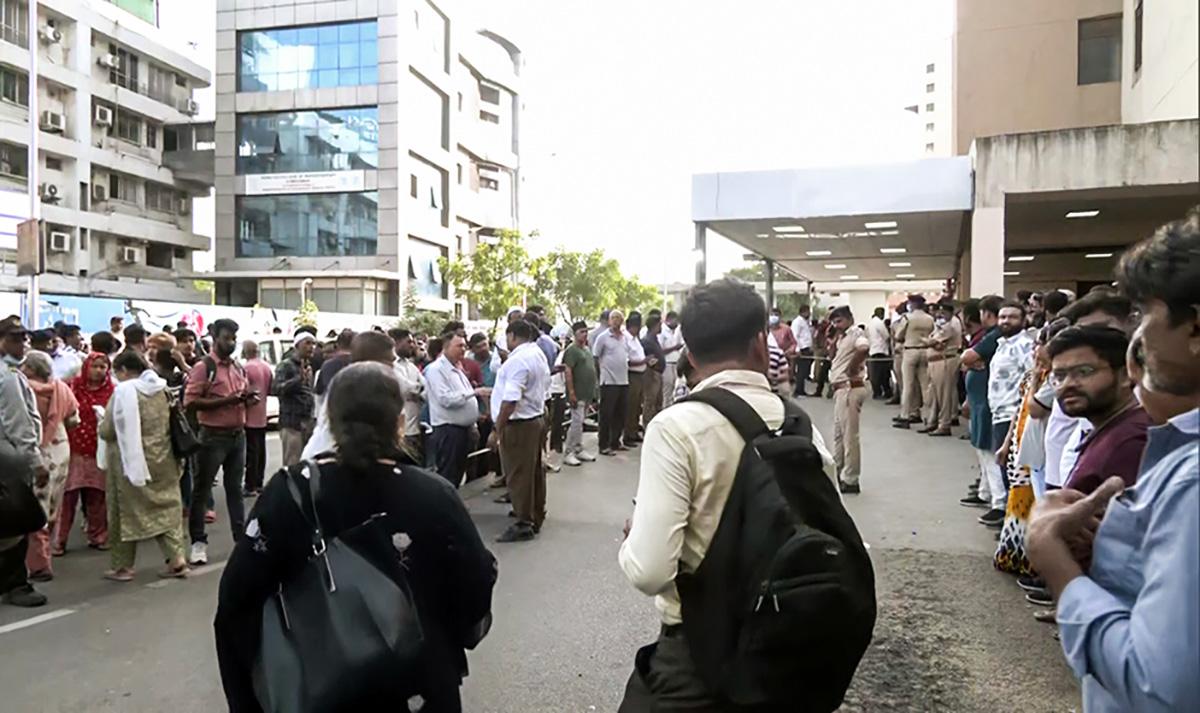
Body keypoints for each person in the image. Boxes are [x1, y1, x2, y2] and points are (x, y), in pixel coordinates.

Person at [215, 362, 498, 713]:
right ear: (399, 422)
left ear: (330, 420)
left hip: (318, 687)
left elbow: (237, 602)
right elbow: (475, 583)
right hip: (419, 684)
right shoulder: (434, 494)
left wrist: (248, 697)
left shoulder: (291, 493)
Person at [617, 279, 838, 709]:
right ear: (760, 342)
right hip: (789, 647)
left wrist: (631, 542)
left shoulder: (675, 428)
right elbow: (830, 527)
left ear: (690, 354)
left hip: (699, 655)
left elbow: (650, 572)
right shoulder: (797, 423)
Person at [1028, 211, 1199, 712]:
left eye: (1143, 315)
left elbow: (1156, 687)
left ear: (1195, 328)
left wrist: (1058, 566)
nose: (1136, 338)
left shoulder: (1187, 477)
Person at [99, 350, 189, 581]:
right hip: (164, 460)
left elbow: (108, 430)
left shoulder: (124, 392)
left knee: (124, 513)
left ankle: (123, 567)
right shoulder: (162, 388)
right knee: (166, 509)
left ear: (124, 370)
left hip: (130, 464)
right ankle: (176, 559)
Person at [184, 318, 256, 566]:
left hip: (237, 435)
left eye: (234, 338)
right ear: (215, 339)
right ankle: (198, 543)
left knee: (235, 490)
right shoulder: (204, 367)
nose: (231, 343)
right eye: (226, 338)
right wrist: (228, 401)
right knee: (201, 491)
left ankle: (240, 541)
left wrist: (247, 399)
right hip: (212, 437)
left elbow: (241, 395)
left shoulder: (237, 367)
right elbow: (190, 402)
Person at [1047, 326, 1151, 494]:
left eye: (1084, 372)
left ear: (1126, 375)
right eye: (1059, 376)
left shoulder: (1130, 442)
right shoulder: (1112, 431)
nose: (1068, 384)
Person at [0, 320, 50, 607]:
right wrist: (36, 462)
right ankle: (16, 584)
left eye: (25, 339)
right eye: (16, 339)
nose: (23, 345)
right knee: (16, 522)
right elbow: (20, 425)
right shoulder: (8, 378)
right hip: (9, 460)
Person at [19, 352, 79, 582]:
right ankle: (45, 554)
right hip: (60, 448)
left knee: (35, 507)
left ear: (32, 369)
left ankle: (39, 563)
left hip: (36, 451)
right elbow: (74, 420)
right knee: (53, 505)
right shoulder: (62, 388)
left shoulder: (25, 390)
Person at [490, 319, 551, 542]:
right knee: (533, 471)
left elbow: (510, 400)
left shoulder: (518, 361)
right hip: (534, 418)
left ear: (513, 336)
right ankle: (535, 513)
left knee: (518, 474)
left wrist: (497, 430)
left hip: (519, 424)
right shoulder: (536, 354)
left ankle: (524, 522)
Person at [981, 301, 1037, 529]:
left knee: (1013, 471)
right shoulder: (1002, 345)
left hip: (1014, 414)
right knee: (1006, 469)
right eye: (1002, 317)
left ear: (1023, 320)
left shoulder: (1024, 345)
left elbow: (1032, 380)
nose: (1005, 321)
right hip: (999, 412)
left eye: (1012, 317)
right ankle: (1010, 521)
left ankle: (1017, 524)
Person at [303, 331, 399, 460]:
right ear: (374, 360)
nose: (394, 366)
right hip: (333, 460)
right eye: (390, 361)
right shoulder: (358, 390)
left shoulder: (349, 383)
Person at [56, 351, 114, 556]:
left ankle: (98, 536)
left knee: (97, 497)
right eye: (94, 366)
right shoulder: (72, 387)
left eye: (102, 367)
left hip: (98, 450)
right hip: (73, 450)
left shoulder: (112, 391)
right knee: (67, 498)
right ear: (86, 367)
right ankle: (59, 540)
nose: (98, 371)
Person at [425, 333, 491, 487]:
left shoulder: (457, 368)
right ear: (446, 347)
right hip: (448, 430)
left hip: (462, 429)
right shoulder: (436, 370)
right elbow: (445, 399)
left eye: (464, 346)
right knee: (448, 474)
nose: (463, 349)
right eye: (459, 346)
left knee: (458, 472)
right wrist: (474, 392)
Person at [960, 296, 1005, 510]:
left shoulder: (995, 335)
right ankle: (985, 492)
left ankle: (998, 501)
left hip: (988, 401)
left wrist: (972, 361)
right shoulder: (989, 335)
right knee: (981, 447)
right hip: (978, 399)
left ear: (987, 313)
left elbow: (967, 357)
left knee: (988, 450)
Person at [827, 306, 869, 494]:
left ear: (849, 319)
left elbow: (863, 348)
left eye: (840, 321)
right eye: (834, 322)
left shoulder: (856, 333)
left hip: (849, 388)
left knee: (849, 436)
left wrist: (852, 368)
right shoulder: (842, 337)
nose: (837, 325)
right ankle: (838, 469)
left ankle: (851, 478)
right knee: (839, 434)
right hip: (840, 390)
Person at [273, 332, 316, 467]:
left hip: (307, 421)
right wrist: (298, 380)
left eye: (313, 344)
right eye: (307, 343)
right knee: (292, 464)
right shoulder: (286, 365)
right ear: (297, 345)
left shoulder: (308, 366)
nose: (311, 347)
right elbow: (276, 389)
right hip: (291, 423)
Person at [920, 300, 962, 436]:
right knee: (934, 395)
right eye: (939, 312)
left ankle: (944, 424)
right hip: (935, 361)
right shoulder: (940, 326)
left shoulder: (950, 325)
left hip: (944, 361)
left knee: (944, 395)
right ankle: (932, 422)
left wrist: (926, 341)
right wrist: (930, 342)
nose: (940, 315)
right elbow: (934, 343)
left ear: (950, 313)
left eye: (944, 312)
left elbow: (933, 342)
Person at [593, 309, 632, 455]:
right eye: (613, 318)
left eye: (618, 318)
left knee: (620, 414)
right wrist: (599, 377)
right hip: (609, 381)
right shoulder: (603, 337)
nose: (616, 320)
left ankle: (615, 442)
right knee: (606, 415)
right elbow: (595, 357)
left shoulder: (624, 338)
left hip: (623, 381)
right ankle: (603, 445)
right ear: (609, 321)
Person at [893, 295, 935, 428]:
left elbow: (898, 335)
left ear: (912, 304)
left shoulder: (907, 317)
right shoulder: (930, 319)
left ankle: (905, 415)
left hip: (910, 351)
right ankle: (928, 417)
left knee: (908, 385)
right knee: (925, 386)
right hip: (926, 351)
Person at [562, 321, 598, 467]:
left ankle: (578, 448)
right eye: (581, 332)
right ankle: (569, 451)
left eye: (586, 331)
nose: (584, 334)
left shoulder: (587, 349)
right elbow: (568, 371)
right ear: (574, 334)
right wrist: (571, 392)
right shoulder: (572, 350)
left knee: (581, 421)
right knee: (576, 422)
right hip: (577, 392)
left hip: (587, 392)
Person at [240, 341, 273, 497]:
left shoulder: (246, 368)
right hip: (262, 414)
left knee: (251, 453)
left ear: (245, 351)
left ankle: (250, 485)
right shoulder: (266, 367)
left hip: (249, 415)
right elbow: (270, 389)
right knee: (260, 451)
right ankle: (259, 482)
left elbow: (242, 390)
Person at [390, 328, 427, 461]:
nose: (413, 345)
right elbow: (404, 387)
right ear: (396, 342)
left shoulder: (411, 366)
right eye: (409, 342)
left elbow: (426, 388)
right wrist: (417, 389)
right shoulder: (391, 365)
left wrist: (417, 391)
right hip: (401, 430)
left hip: (415, 427)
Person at [623, 311, 650, 445]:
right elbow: (626, 361)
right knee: (631, 406)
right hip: (632, 375)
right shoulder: (626, 339)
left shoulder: (635, 339)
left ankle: (633, 431)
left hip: (640, 374)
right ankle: (628, 434)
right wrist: (643, 361)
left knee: (637, 406)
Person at [313, 328, 354, 406]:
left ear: (337, 345)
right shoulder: (362, 363)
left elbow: (319, 393)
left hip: (333, 407)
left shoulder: (328, 365)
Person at [640, 314, 666, 427]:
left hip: (658, 373)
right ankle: (647, 425)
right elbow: (646, 357)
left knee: (658, 401)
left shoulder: (654, 339)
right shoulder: (647, 341)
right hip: (651, 374)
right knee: (650, 400)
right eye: (659, 324)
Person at [658, 311, 685, 409]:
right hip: (667, 363)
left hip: (675, 362)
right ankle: (665, 409)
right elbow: (660, 350)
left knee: (675, 388)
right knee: (667, 390)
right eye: (675, 321)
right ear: (669, 320)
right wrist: (674, 347)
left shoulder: (675, 331)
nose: (676, 323)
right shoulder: (662, 331)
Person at [866, 307, 892, 400]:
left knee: (875, 374)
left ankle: (877, 391)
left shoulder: (870, 323)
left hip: (873, 350)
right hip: (881, 350)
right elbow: (886, 336)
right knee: (883, 374)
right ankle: (886, 391)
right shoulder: (879, 323)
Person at [791, 304, 814, 396]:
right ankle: (798, 390)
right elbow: (794, 336)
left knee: (804, 370)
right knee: (801, 370)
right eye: (808, 312)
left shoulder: (804, 322)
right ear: (803, 312)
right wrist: (797, 349)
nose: (809, 314)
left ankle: (801, 389)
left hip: (806, 348)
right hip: (802, 349)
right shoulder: (797, 322)